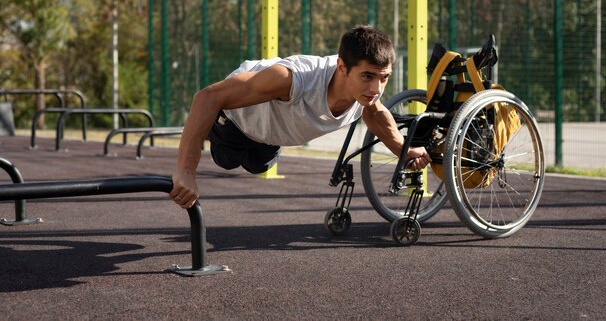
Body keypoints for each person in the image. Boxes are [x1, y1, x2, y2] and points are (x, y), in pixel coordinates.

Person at [171, 24, 431, 209]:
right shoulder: (293, 80)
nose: (376, 89)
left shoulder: (365, 96)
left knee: (260, 165)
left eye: (384, 78)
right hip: (236, 123)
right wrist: (186, 171)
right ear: (342, 67)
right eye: (367, 77)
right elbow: (206, 97)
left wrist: (403, 150)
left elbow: (376, 115)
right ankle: (209, 132)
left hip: (271, 137)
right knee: (226, 160)